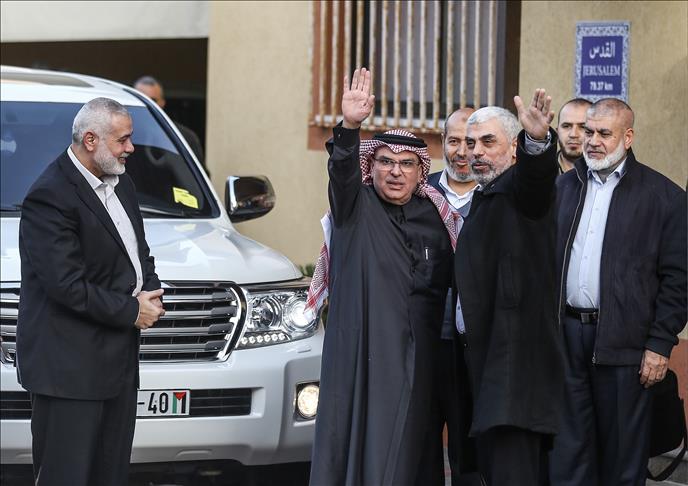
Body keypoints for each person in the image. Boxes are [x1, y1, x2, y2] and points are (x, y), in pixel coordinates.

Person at [306, 68, 461, 485]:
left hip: (421, 356)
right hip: (362, 351)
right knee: (358, 444)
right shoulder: (354, 206)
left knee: (413, 450)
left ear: (420, 171)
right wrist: (349, 125)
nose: (395, 172)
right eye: (386, 162)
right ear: (370, 166)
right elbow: (341, 171)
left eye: (406, 164)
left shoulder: (437, 215)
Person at [16, 97, 165, 486]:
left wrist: (151, 289)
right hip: (68, 371)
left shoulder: (122, 183)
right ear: (91, 140)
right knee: (66, 477)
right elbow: (66, 286)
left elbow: (137, 251)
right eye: (123, 140)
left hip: (118, 364)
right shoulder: (49, 195)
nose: (131, 148)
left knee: (110, 475)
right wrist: (132, 311)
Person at [549, 98, 687, 485]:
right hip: (567, 338)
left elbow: (678, 280)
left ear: (628, 137)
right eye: (588, 131)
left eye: (604, 134)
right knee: (569, 454)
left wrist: (660, 344)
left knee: (622, 458)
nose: (592, 141)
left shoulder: (664, 197)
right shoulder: (564, 187)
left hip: (626, 345)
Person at [454, 92, 565, 485]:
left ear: (514, 149)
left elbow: (537, 181)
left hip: (514, 374)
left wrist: (537, 142)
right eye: (470, 143)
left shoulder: (520, 190)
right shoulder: (485, 194)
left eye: (488, 141)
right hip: (484, 367)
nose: (475, 152)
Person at [427, 107, 480, 485]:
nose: (462, 152)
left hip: (474, 345)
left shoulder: (497, 194)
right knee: (419, 442)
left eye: (471, 142)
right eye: (454, 141)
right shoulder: (419, 191)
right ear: (442, 142)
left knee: (469, 448)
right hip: (424, 339)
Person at [133, 75, 207, 174]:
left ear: (162, 103)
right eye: (141, 99)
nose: (147, 105)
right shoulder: (120, 133)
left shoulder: (183, 137)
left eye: (153, 101)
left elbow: (198, 176)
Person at [556, 98, 591, 174]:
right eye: (566, 126)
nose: (573, 134)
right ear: (557, 132)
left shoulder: (610, 174)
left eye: (583, 127)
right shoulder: (541, 170)